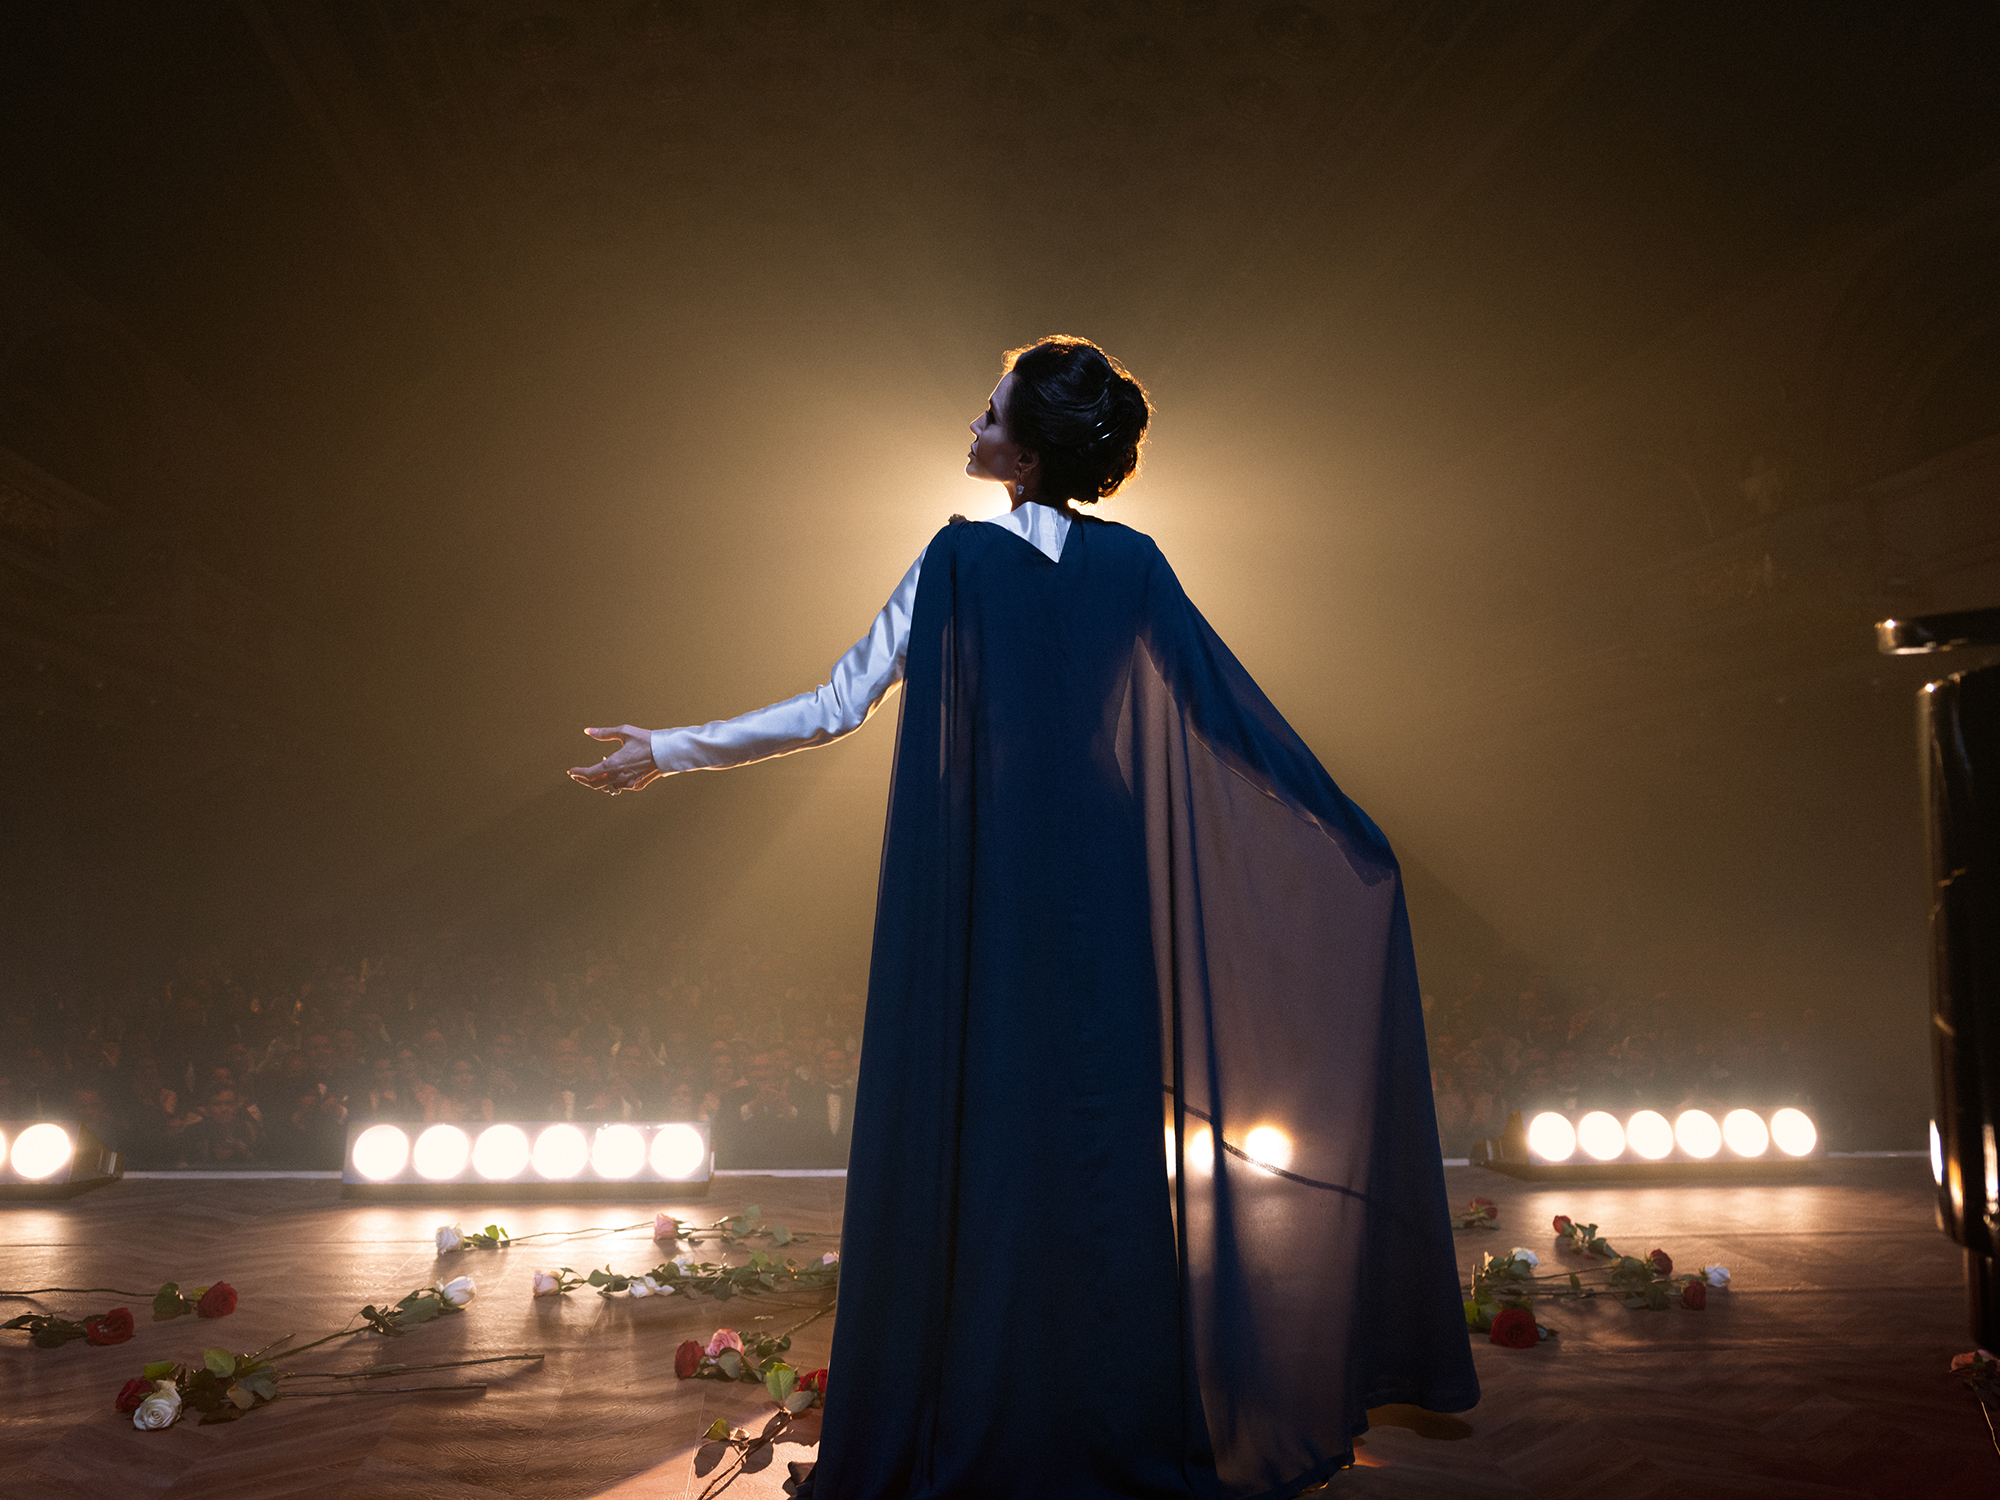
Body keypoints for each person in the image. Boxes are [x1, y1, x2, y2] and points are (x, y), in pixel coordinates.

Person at [568, 337, 1477, 1498]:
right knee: (1092, 1141)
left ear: (1027, 447)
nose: (970, 425)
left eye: (986, 412)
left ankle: (992, 1399)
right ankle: (1101, 1408)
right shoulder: (1134, 564)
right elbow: (1232, 722)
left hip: (989, 866)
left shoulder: (955, 561)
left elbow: (831, 708)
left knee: (986, 1134)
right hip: (1095, 869)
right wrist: (1346, 826)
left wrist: (670, 750)